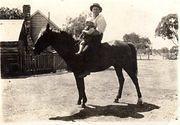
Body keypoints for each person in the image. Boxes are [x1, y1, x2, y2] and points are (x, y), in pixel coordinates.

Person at [78, 3, 107, 77]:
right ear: (92, 10)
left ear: (99, 10)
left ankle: (87, 69)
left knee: (88, 49)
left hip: (96, 37)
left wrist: (88, 32)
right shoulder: (90, 18)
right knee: (80, 44)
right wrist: (84, 32)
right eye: (94, 9)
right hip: (89, 36)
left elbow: (98, 31)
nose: (95, 10)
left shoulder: (101, 19)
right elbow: (86, 27)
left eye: (97, 9)